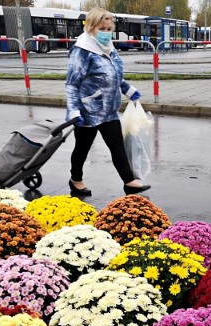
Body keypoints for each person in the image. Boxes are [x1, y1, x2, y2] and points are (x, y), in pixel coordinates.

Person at [65, 7, 150, 197]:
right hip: (87, 111)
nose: (106, 33)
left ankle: (129, 182)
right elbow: (71, 84)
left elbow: (115, 76)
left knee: (116, 145)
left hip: (109, 110)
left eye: (109, 29)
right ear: (91, 28)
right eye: (102, 29)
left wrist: (128, 90)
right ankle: (75, 179)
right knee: (82, 148)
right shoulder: (82, 51)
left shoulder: (109, 48)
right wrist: (73, 111)